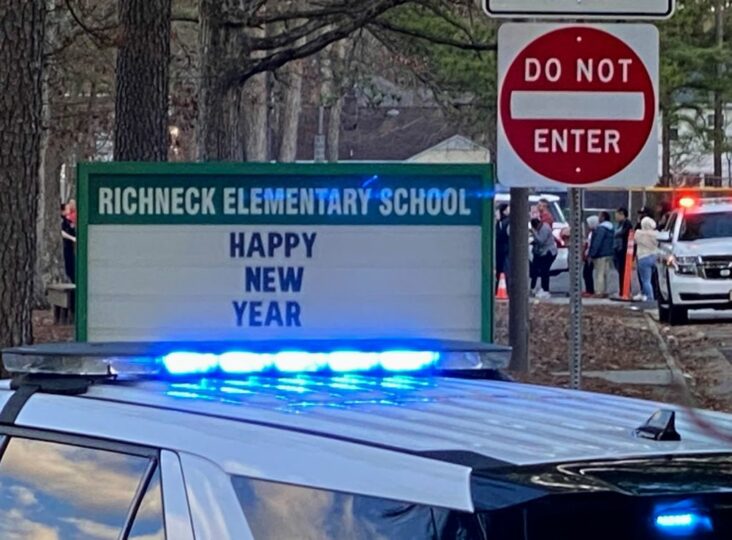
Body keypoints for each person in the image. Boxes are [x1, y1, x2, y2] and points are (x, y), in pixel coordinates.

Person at [530, 217, 557, 299]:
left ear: (537, 225)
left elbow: (541, 241)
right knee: (535, 269)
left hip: (548, 252)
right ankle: (533, 287)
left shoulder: (545, 228)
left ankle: (545, 290)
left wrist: (534, 233)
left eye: (535, 228)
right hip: (540, 253)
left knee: (544, 271)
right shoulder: (541, 227)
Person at [589, 211, 614, 297]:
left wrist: (592, 254)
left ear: (603, 217)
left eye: (599, 216)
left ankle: (599, 291)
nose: (598, 218)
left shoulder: (601, 229)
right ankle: (605, 290)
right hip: (609, 253)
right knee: (605, 274)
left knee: (599, 274)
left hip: (600, 254)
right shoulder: (611, 228)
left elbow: (597, 242)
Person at [634, 216, 658, 302]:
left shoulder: (638, 233)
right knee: (656, 279)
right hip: (655, 257)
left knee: (646, 280)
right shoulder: (656, 234)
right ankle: (656, 295)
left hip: (643, 257)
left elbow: (634, 240)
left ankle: (649, 297)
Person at [613, 207, 633, 290]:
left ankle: (625, 290)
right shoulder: (620, 224)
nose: (616, 217)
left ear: (622, 214)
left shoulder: (627, 224)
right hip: (618, 251)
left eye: (617, 215)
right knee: (621, 272)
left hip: (624, 251)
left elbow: (622, 233)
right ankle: (623, 290)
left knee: (624, 272)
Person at [495, 204, 510, 292]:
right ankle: (504, 287)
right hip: (505, 249)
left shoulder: (502, 222)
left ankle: (501, 287)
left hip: (501, 249)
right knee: (505, 269)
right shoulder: (506, 222)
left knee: (501, 269)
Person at [583, 216, 599, 297]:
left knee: (587, 272)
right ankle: (588, 289)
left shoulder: (595, 233)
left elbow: (592, 245)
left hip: (590, 255)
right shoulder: (590, 233)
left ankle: (590, 290)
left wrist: (590, 255)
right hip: (587, 254)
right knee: (586, 273)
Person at [61, 202, 76, 283]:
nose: (69, 210)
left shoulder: (68, 221)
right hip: (65, 248)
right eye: (67, 208)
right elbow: (61, 232)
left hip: (70, 248)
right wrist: (72, 238)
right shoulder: (61, 220)